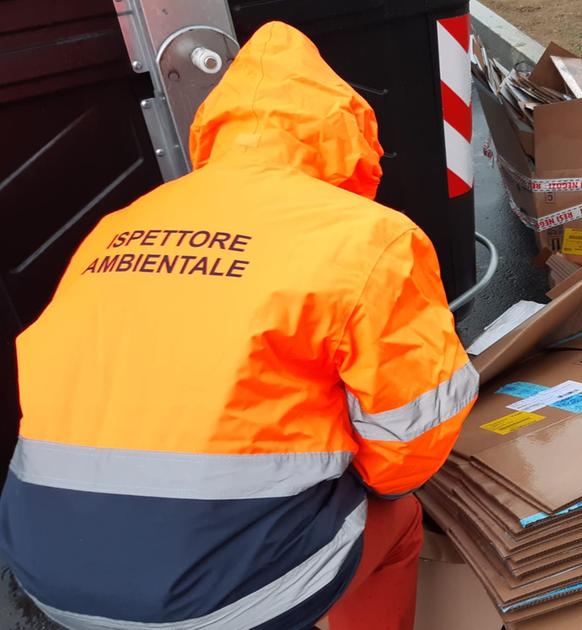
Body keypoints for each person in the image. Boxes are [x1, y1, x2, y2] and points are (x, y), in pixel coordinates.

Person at [0, 21, 476, 630]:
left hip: (46, 574)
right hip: (214, 598)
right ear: (349, 133)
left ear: (214, 129)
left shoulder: (124, 221)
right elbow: (410, 443)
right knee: (400, 517)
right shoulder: (368, 237)